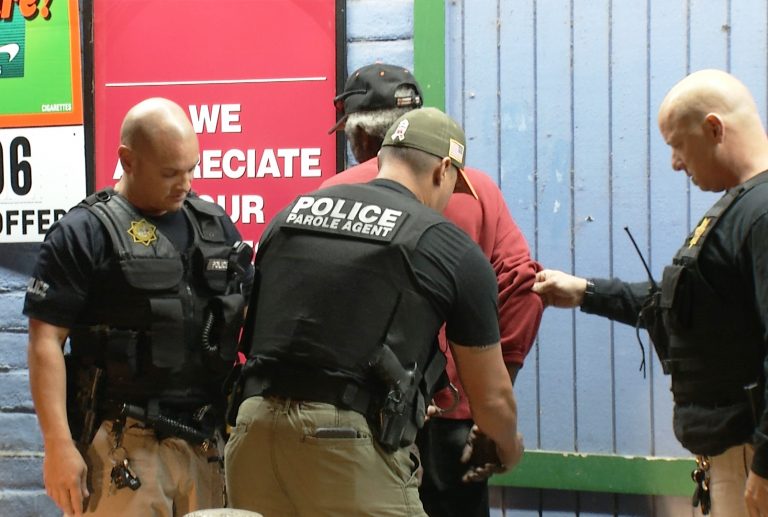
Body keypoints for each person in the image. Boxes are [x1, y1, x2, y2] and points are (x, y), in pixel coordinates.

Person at [225, 107, 524, 516]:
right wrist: (508, 445)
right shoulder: (446, 245)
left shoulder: (290, 215)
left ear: (382, 160)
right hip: (342, 451)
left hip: (251, 436)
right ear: (443, 171)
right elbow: (492, 400)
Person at [531, 69, 768, 516]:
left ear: (715, 128)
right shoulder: (738, 209)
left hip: (750, 457)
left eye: (677, 144)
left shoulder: (761, 212)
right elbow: (680, 305)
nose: (676, 162)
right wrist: (584, 291)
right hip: (733, 456)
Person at [323, 63, 543, 517]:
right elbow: (524, 287)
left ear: (364, 137)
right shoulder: (477, 189)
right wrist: (488, 399)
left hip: (360, 420)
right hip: (455, 420)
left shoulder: (333, 194)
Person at [24, 97, 253, 516]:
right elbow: (45, 341)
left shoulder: (214, 225)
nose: (184, 184)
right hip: (123, 445)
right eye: (169, 173)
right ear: (128, 161)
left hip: (208, 442)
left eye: (190, 170)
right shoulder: (83, 232)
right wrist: (57, 446)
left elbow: (245, 315)